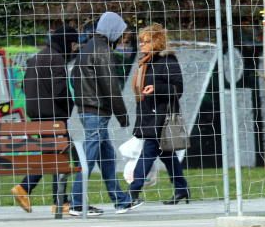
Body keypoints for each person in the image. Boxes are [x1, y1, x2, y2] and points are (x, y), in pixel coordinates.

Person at [69, 11, 137, 216]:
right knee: (89, 157)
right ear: (112, 30)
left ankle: (121, 200)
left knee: (107, 156)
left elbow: (74, 78)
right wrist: (123, 115)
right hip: (97, 111)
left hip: (87, 110)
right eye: (120, 32)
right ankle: (77, 203)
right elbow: (111, 87)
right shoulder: (103, 51)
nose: (121, 37)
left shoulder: (87, 48)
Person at [117, 23, 190, 213]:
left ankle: (133, 191)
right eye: (140, 41)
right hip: (149, 115)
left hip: (161, 118)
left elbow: (178, 89)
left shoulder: (168, 61)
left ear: (157, 42)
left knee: (148, 153)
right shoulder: (146, 62)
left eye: (146, 41)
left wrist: (156, 89)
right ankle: (181, 188)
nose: (141, 45)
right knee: (167, 154)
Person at [10, 24, 79, 216]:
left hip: (37, 114)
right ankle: (34, 191)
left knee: (54, 155)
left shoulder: (37, 57)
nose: (74, 49)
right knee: (64, 154)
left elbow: (24, 86)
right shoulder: (55, 59)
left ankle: (54, 199)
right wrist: (70, 106)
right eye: (73, 45)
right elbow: (60, 91)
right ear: (66, 42)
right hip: (53, 116)